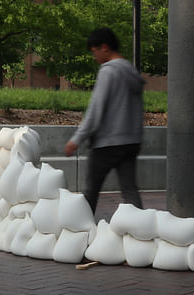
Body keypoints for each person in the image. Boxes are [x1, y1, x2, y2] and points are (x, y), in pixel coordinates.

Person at [64, 27, 145, 213]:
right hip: (131, 142)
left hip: (107, 144)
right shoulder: (131, 72)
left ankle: (81, 232)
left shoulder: (108, 72)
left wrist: (76, 139)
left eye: (94, 51)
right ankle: (142, 234)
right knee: (130, 191)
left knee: (91, 191)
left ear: (105, 47)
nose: (94, 56)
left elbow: (95, 109)